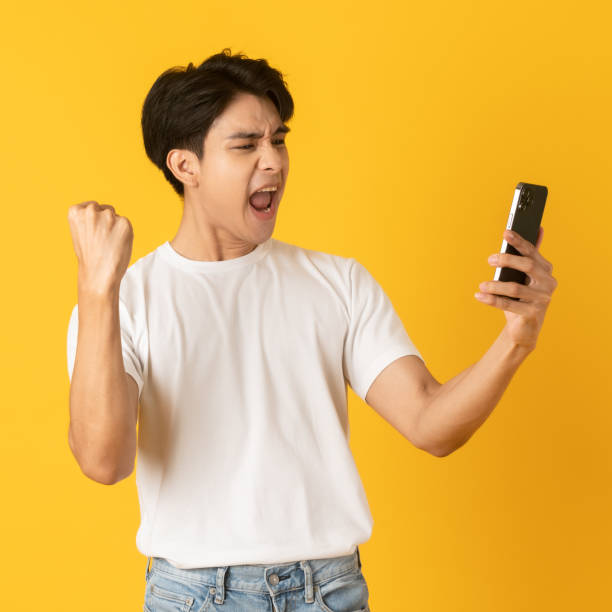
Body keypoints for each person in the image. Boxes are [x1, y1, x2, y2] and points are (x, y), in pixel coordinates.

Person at [66, 48, 557, 612]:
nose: (273, 161)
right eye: (246, 145)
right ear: (186, 166)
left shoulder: (337, 283)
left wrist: (516, 339)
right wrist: (97, 290)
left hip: (329, 592)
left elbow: (431, 424)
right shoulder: (123, 300)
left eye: (278, 139)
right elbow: (103, 461)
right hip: (193, 597)